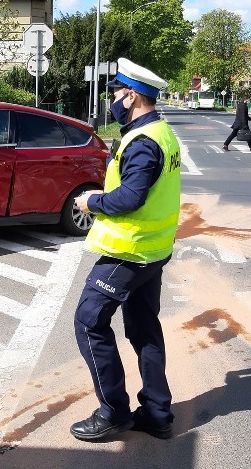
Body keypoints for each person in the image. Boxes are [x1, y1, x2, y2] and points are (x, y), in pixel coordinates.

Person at [70, 58, 181, 442]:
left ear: (132, 95)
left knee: (88, 322)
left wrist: (93, 202)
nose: (113, 100)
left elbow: (131, 197)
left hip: (129, 252)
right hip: (153, 249)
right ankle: (156, 412)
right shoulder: (160, 132)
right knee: (143, 327)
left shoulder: (144, 142)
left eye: (116, 93)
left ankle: (114, 413)